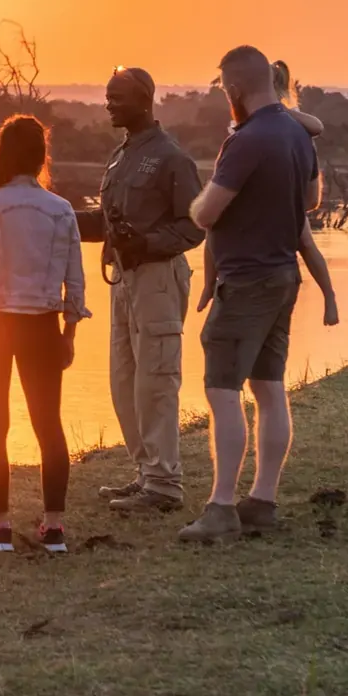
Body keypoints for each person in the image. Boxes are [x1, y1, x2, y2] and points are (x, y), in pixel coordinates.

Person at [179, 46, 339, 544]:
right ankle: (262, 500)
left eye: (224, 87)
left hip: (246, 280)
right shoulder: (297, 133)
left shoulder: (246, 140)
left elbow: (206, 215)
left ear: (233, 87)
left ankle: (222, 505)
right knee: (269, 389)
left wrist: (203, 198)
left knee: (223, 391)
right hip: (282, 277)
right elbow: (312, 201)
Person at [0, 114, 88, 553]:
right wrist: (68, 333)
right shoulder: (62, 209)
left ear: (3, 155)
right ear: (40, 157)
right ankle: (53, 528)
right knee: (49, 426)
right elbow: (75, 280)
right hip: (42, 326)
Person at [77, 66, 203, 514]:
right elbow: (107, 224)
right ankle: (146, 474)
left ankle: (165, 484)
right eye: (108, 96)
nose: (109, 104)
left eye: (118, 98)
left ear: (145, 100)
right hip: (124, 280)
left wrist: (147, 243)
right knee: (124, 381)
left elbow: (194, 225)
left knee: (156, 381)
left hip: (158, 279)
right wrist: (54, 219)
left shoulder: (171, 158)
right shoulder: (121, 155)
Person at [197, 57, 331, 330]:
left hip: (281, 199)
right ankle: (209, 285)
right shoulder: (253, 124)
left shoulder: (285, 117)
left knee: (305, 242)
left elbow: (317, 126)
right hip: (270, 198)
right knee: (215, 226)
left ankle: (329, 298)